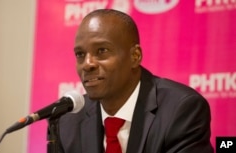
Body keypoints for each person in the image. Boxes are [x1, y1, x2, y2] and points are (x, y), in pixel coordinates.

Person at [58, 9, 214, 153]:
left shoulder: (180, 109)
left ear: (135, 56)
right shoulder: (67, 122)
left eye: (101, 51)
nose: (87, 64)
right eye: (80, 54)